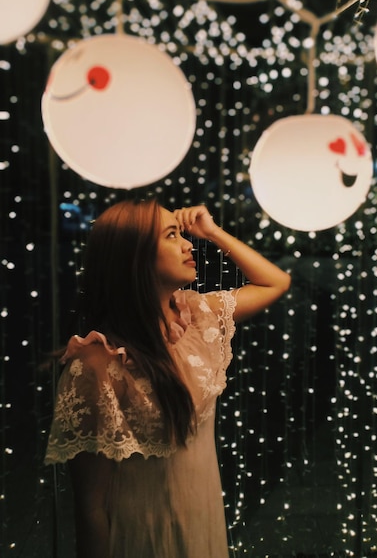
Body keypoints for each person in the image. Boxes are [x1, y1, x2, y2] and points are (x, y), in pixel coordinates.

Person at [45, 198, 291, 558]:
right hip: (143, 535)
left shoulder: (198, 316)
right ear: (135, 256)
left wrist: (212, 231)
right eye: (172, 236)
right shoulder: (98, 364)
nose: (189, 244)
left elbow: (276, 282)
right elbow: (91, 506)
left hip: (201, 519)